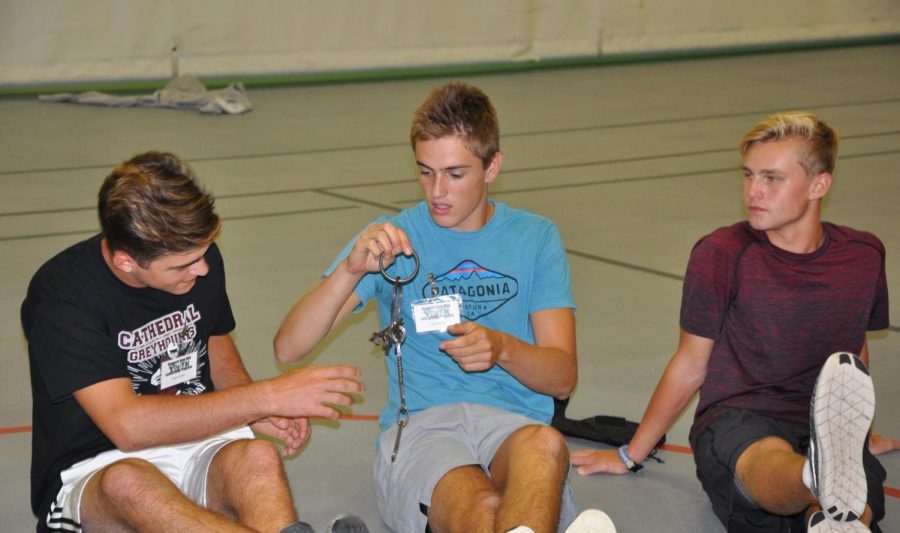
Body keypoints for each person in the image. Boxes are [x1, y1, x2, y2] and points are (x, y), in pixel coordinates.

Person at [274, 82, 616, 533]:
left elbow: (562, 376)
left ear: (492, 166)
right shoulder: (390, 238)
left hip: (515, 429)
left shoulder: (535, 238)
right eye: (425, 172)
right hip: (424, 430)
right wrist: (350, 271)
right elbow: (289, 347)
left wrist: (502, 349)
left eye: (455, 174)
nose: (437, 191)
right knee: (481, 504)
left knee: (547, 446)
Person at [570, 112, 889, 532]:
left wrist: (860, 431)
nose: (753, 191)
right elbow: (690, 364)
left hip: (820, 421)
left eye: (772, 179)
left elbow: (853, 352)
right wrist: (631, 454)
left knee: (853, 509)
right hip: (739, 417)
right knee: (769, 464)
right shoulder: (722, 254)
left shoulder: (862, 255)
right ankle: (816, 478)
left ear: (819, 185)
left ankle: (829, 503)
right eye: (748, 175)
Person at [22, 151, 369, 533]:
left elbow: (213, 339)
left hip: (199, 441)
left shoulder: (196, 255)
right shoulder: (63, 297)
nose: (201, 269)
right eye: (183, 265)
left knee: (258, 455)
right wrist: (265, 397)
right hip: (98, 466)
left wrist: (250, 407)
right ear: (126, 262)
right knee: (130, 485)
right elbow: (128, 426)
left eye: (204, 254)